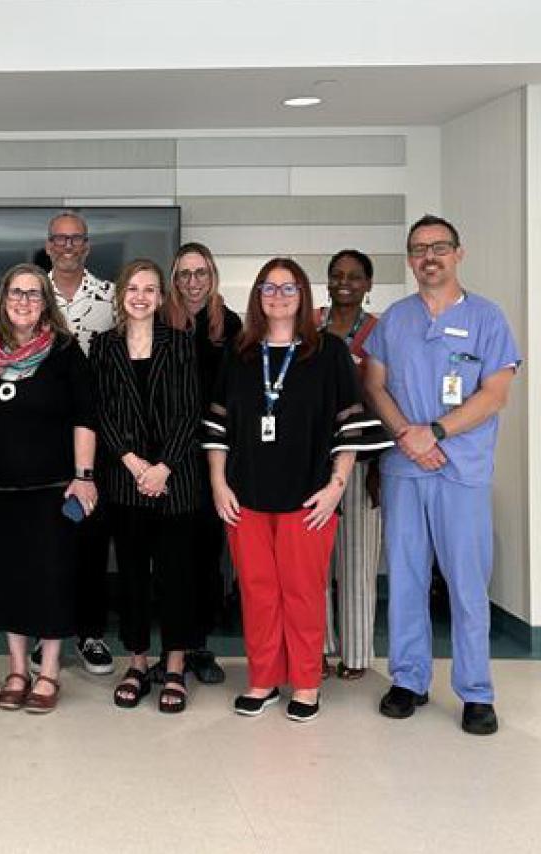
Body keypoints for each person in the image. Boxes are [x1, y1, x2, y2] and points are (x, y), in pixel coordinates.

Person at [204, 258, 390, 723]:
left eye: (289, 288)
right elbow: (217, 425)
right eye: (269, 287)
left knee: (303, 592)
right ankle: (263, 679)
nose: (279, 295)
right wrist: (218, 483)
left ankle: (306, 684)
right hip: (245, 497)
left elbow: (349, 426)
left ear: (304, 295)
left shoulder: (327, 353)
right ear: (257, 296)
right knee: (258, 591)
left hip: (309, 498)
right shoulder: (240, 352)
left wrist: (336, 488)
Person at [363, 215, 521, 736]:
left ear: (458, 254)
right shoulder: (395, 320)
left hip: (462, 471)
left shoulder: (487, 318)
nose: (429, 257)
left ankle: (476, 691)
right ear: (409, 260)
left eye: (439, 247)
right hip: (406, 468)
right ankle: (408, 680)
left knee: (466, 584)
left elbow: (494, 394)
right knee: (406, 579)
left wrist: (435, 431)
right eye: (418, 249)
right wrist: (409, 434)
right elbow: (376, 384)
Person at [0, 263, 98, 714]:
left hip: (53, 489)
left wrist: (84, 477)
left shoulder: (64, 351)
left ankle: (50, 670)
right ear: (3, 297)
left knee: (52, 580)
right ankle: (18, 668)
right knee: (11, 580)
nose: (23, 301)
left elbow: (85, 418)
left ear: (46, 303)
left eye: (34, 295)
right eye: (16, 293)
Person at [91, 260, 202, 713]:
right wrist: (136, 465)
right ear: (121, 295)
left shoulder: (180, 344)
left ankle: (174, 666)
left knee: (177, 577)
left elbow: (189, 412)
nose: (140, 296)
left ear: (161, 298)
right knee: (133, 577)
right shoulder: (103, 347)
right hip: (124, 479)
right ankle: (137, 662)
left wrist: (163, 467)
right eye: (132, 288)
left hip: (176, 480)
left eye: (150, 289)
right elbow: (101, 412)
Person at [40, 211, 116, 676]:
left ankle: (89, 632)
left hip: (99, 438)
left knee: (91, 539)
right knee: (47, 541)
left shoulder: (111, 297)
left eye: (76, 239)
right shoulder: (27, 294)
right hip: (43, 439)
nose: (68, 246)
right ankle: (46, 628)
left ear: (87, 246)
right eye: (59, 239)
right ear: (48, 246)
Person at [163, 241, 243, 685]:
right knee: (172, 559)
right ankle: (171, 648)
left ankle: (200, 646)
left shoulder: (229, 325)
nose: (192, 282)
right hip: (167, 461)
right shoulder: (158, 322)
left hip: (213, 458)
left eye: (200, 273)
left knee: (206, 557)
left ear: (211, 277)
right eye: (184, 275)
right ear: (174, 281)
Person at [315, 249, 382, 681]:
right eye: (337, 275)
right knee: (313, 562)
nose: (345, 283)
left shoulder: (381, 331)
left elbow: (387, 396)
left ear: (368, 284)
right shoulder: (310, 323)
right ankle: (316, 647)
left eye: (355, 277)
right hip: (312, 460)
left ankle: (356, 654)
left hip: (363, 459)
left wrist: (380, 466)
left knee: (357, 561)